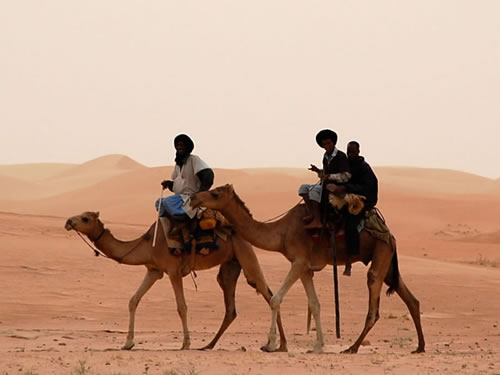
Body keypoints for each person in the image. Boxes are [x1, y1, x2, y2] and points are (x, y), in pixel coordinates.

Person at [331, 140, 378, 275]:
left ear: (358, 152)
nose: (350, 154)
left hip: (362, 201)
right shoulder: (346, 166)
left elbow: (368, 187)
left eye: (352, 152)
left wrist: (347, 188)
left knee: (351, 226)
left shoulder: (364, 168)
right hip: (346, 198)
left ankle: (349, 260)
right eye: (348, 151)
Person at [155, 134, 214, 238]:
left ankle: (183, 222)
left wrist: (200, 194)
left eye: (182, 145)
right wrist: (169, 184)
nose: (179, 147)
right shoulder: (178, 165)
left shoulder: (193, 160)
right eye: (177, 145)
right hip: (180, 198)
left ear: (187, 147)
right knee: (159, 202)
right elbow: (179, 184)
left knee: (167, 202)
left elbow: (208, 175)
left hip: (190, 199)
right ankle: (174, 225)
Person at [298, 129, 351, 230]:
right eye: (324, 144)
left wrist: (330, 176)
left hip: (335, 187)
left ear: (333, 142)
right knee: (303, 188)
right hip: (324, 185)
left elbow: (346, 176)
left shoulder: (341, 156)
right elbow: (325, 174)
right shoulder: (326, 157)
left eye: (329, 143)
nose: (327, 146)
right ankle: (312, 213)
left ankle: (317, 220)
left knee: (314, 190)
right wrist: (318, 171)